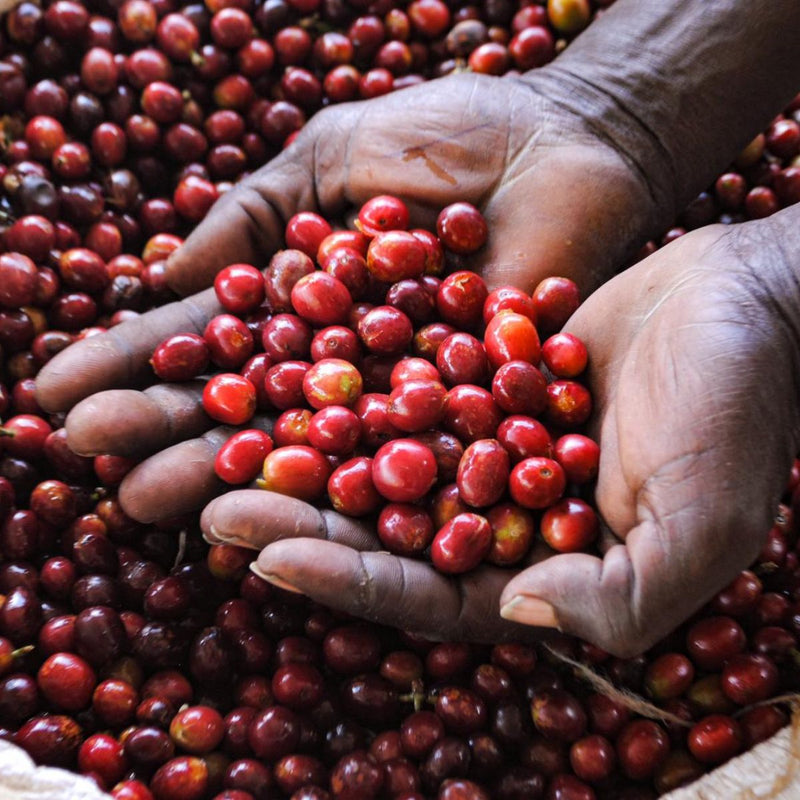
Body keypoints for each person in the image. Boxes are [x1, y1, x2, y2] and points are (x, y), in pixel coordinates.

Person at [35, 0, 800, 657]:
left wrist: (775, 286)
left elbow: (477, 390)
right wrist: (613, 106)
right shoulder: (383, 343)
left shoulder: (455, 373)